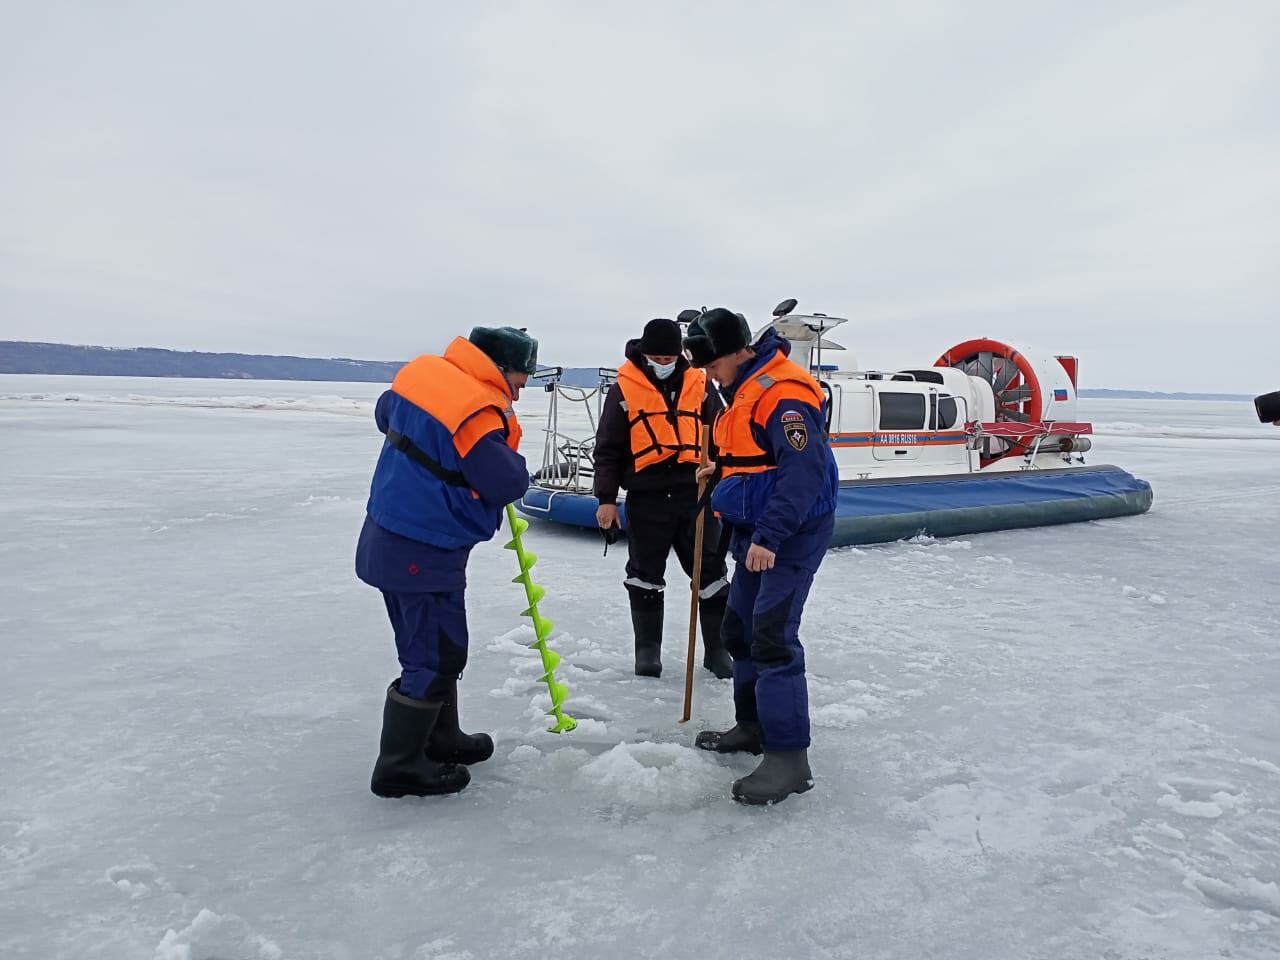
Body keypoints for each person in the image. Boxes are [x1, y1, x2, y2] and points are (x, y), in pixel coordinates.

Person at [355, 327, 536, 799]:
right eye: (521, 375)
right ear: (500, 366)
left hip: (398, 538)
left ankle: (441, 738)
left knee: (439, 648)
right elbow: (505, 480)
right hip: (419, 548)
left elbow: (383, 413)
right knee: (432, 656)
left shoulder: (423, 379)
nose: (522, 387)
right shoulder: (473, 409)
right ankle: (399, 768)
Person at [684, 308, 838, 805]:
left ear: (736, 352)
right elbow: (756, 456)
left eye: (712, 364)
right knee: (739, 630)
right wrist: (719, 468)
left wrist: (769, 538)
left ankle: (789, 758)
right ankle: (751, 727)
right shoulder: (746, 385)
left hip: (789, 532)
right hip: (755, 529)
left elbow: (802, 472)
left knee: (772, 637)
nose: (708, 374)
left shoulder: (784, 393)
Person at [592, 318, 733, 679]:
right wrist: (606, 499)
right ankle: (648, 653)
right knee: (644, 575)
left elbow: (723, 435)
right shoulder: (623, 390)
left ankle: (717, 651)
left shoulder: (700, 385)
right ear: (643, 353)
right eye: (656, 355)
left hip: (696, 496)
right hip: (647, 499)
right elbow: (608, 449)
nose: (663, 361)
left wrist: (719, 473)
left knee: (711, 574)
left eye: (669, 356)